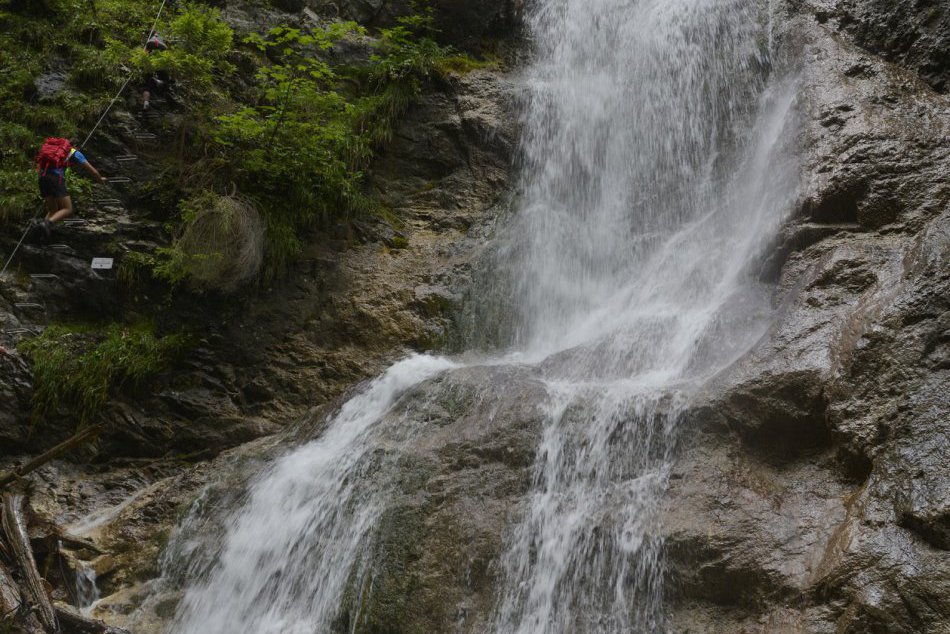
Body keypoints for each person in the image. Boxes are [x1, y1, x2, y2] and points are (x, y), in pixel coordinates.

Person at [36, 138, 107, 238]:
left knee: (53, 210)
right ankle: (46, 224)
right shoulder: (75, 152)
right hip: (55, 179)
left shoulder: (55, 152)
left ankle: (40, 232)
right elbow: (93, 171)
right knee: (68, 209)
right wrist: (100, 179)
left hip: (42, 178)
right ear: (76, 146)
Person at [142, 33, 169, 111]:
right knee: (165, 79)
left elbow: (144, 53)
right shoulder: (161, 44)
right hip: (159, 65)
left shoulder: (150, 45)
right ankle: (160, 82)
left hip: (149, 66)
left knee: (147, 86)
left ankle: (146, 102)